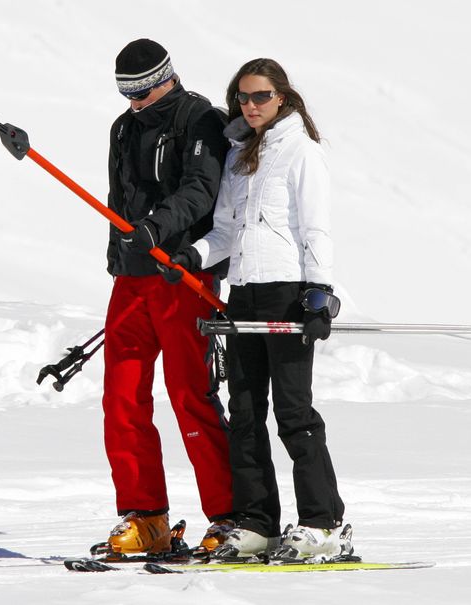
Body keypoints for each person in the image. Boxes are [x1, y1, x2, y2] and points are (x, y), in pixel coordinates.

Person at [168, 58, 351, 560]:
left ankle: (323, 522)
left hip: (287, 292)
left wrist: (319, 291)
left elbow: (316, 228)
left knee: (293, 412)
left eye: (261, 97)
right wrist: (191, 258)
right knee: (245, 413)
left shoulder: (301, 153)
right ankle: (257, 522)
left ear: (282, 98)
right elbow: (225, 231)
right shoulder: (238, 154)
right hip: (243, 294)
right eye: (243, 98)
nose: (251, 106)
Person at [102, 38, 234, 555]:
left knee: (188, 394)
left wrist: (157, 230)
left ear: (166, 78)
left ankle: (227, 517)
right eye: (125, 93)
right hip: (131, 279)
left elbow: (201, 190)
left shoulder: (201, 120)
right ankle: (146, 517)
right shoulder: (122, 126)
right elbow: (121, 196)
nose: (134, 103)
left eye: (141, 91)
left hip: (181, 275)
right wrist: (121, 256)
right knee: (121, 397)